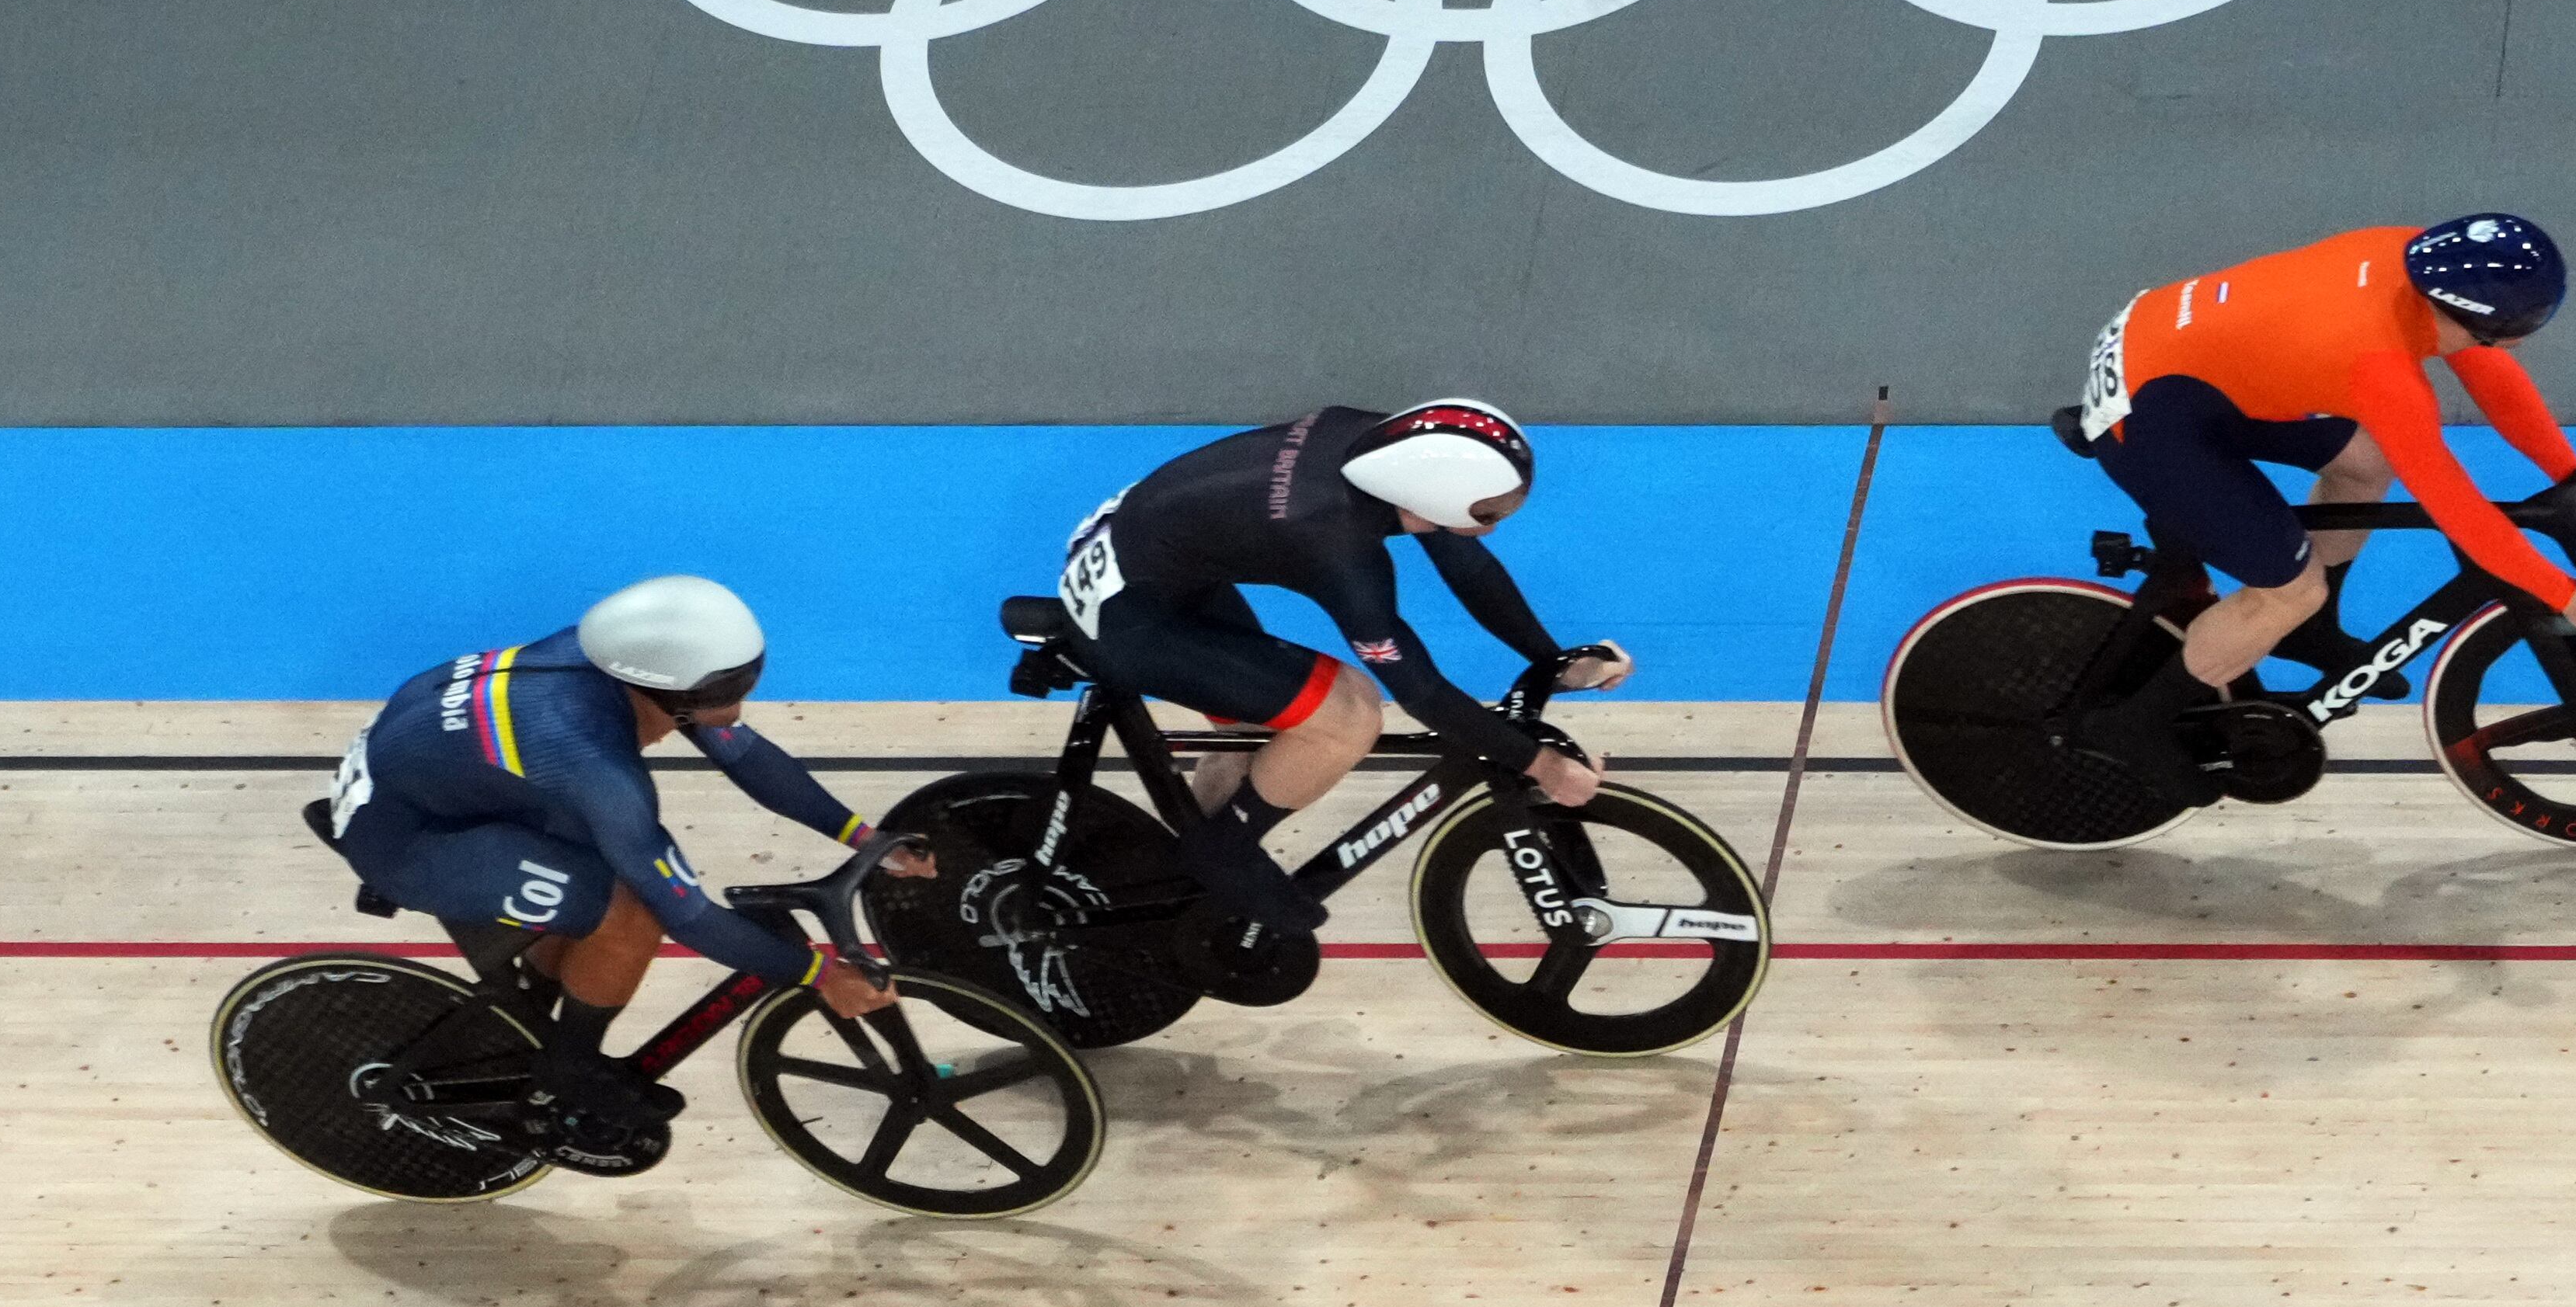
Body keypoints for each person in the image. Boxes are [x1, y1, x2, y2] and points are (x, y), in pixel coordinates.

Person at [326, 575, 933, 1167]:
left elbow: (742, 751)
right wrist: (819, 974)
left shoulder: (617, 663)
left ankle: (533, 1006)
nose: (741, 697)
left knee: (598, 873)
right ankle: (569, 1064)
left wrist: (866, 838)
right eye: (729, 684)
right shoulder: (598, 769)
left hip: (432, 782)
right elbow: (688, 916)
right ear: (665, 691)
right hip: (410, 841)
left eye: (747, 675)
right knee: (633, 913)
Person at [1051, 400, 1630, 932]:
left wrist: (1549, 658)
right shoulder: (1336, 543)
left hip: (1150, 561)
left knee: (1254, 732)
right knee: (1348, 712)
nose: (1497, 523)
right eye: (1490, 509)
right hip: (1133, 616)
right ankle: (1220, 852)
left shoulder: (1380, 442)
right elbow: (1420, 690)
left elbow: (1467, 565)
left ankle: (1174, 894)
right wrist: (1542, 767)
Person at [2073, 215, 2576, 707]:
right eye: (2515, 328)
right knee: (2289, 591)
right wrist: (2565, 596)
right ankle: (2144, 725)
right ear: (2467, 315)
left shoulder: (2417, 255)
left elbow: (2489, 371)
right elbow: (2455, 507)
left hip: (2176, 353)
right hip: (2150, 414)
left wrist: (2571, 474)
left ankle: (2311, 632)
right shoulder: (2381, 372)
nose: (2519, 342)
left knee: (2366, 462)